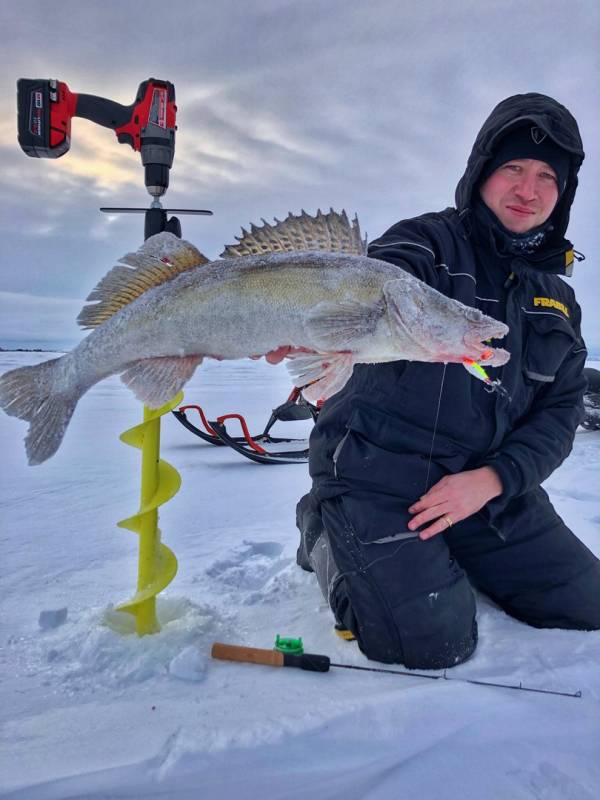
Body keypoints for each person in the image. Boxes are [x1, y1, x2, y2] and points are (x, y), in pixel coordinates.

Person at [295, 92, 600, 669]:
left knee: (589, 605)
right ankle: (321, 528)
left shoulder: (557, 299)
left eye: (545, 178)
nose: (527, 190)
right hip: (378, 475)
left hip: (482, 489)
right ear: (482, 172)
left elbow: (559, 412)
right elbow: (375, 279)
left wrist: (494, 480)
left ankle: (453, 542)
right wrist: (305, 318)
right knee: (431, 643)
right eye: (512, 168)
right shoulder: (427, 244)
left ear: (563, 194)